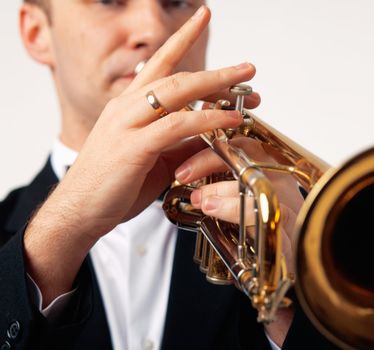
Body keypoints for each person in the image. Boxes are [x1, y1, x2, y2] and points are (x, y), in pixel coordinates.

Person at [0, 1, 339, 349]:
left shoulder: (309, 229)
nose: (155, 31)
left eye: (177, 2)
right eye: (110, 2)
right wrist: (63, 226)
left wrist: (303, 309)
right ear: (36, 32)